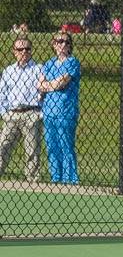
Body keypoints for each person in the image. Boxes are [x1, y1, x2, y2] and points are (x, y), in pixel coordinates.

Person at [38, 31, 81, 184]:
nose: (62, 44)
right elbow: (40, 85)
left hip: (66, 111)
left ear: (70, 46)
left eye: (66, 42)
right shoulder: (48, 64)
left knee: (66, 145)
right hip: (49, 111)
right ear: (54, 44)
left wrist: (48, 85)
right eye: (59, 41)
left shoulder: (72, 62)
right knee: (51, 146)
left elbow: (62, 82)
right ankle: (56, 178)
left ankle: (70, 179)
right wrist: (51, 85)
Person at [0, 37, 44, 182]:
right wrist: (4, 113)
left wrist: (40, 113)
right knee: (3, 146)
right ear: (14, 52)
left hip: (32, 112)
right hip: (12, 113)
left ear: (31, 51)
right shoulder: (9, 71)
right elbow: (2, 94)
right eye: (20, 49)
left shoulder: (38, 69)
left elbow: (44, 92)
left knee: (32, 149)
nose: (24, 51)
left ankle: (33, 180)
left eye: (27, 49)